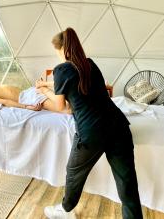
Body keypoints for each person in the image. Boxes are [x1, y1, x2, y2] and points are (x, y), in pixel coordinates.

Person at [36, 27, 143, 219]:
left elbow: (62, 107)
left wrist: (43, 92)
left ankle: (65, 211)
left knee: (73, 173)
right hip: (118, 126)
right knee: (126, 182)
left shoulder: (61, 70)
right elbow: (71, 81)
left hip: (91, 133)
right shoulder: (89, 64)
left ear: (62, 49)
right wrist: (46, 84)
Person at [0, 83, 72, 118]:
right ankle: (46, 89)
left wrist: (27, 107)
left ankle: (46, 89)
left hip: (28, 98)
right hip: (29, 92)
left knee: (66, 110)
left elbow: (6, 103)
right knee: (64, 106)